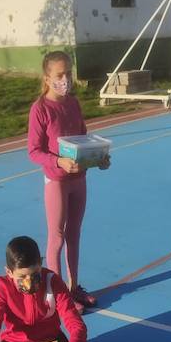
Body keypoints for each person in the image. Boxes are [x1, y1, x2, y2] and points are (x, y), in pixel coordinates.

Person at [27, 50, 108, 313]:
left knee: (74, 234)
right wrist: (58, 162)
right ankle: (57, 293)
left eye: (69, 74)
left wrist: (98, 157)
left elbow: (83, 138)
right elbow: (34, 151)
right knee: (57, 237)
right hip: (57, 181)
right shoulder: (40, 109)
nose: (65, 79)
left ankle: (73, 288)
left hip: (79, 178)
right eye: (60, 75)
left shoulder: (73, 104)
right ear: (47, 78)